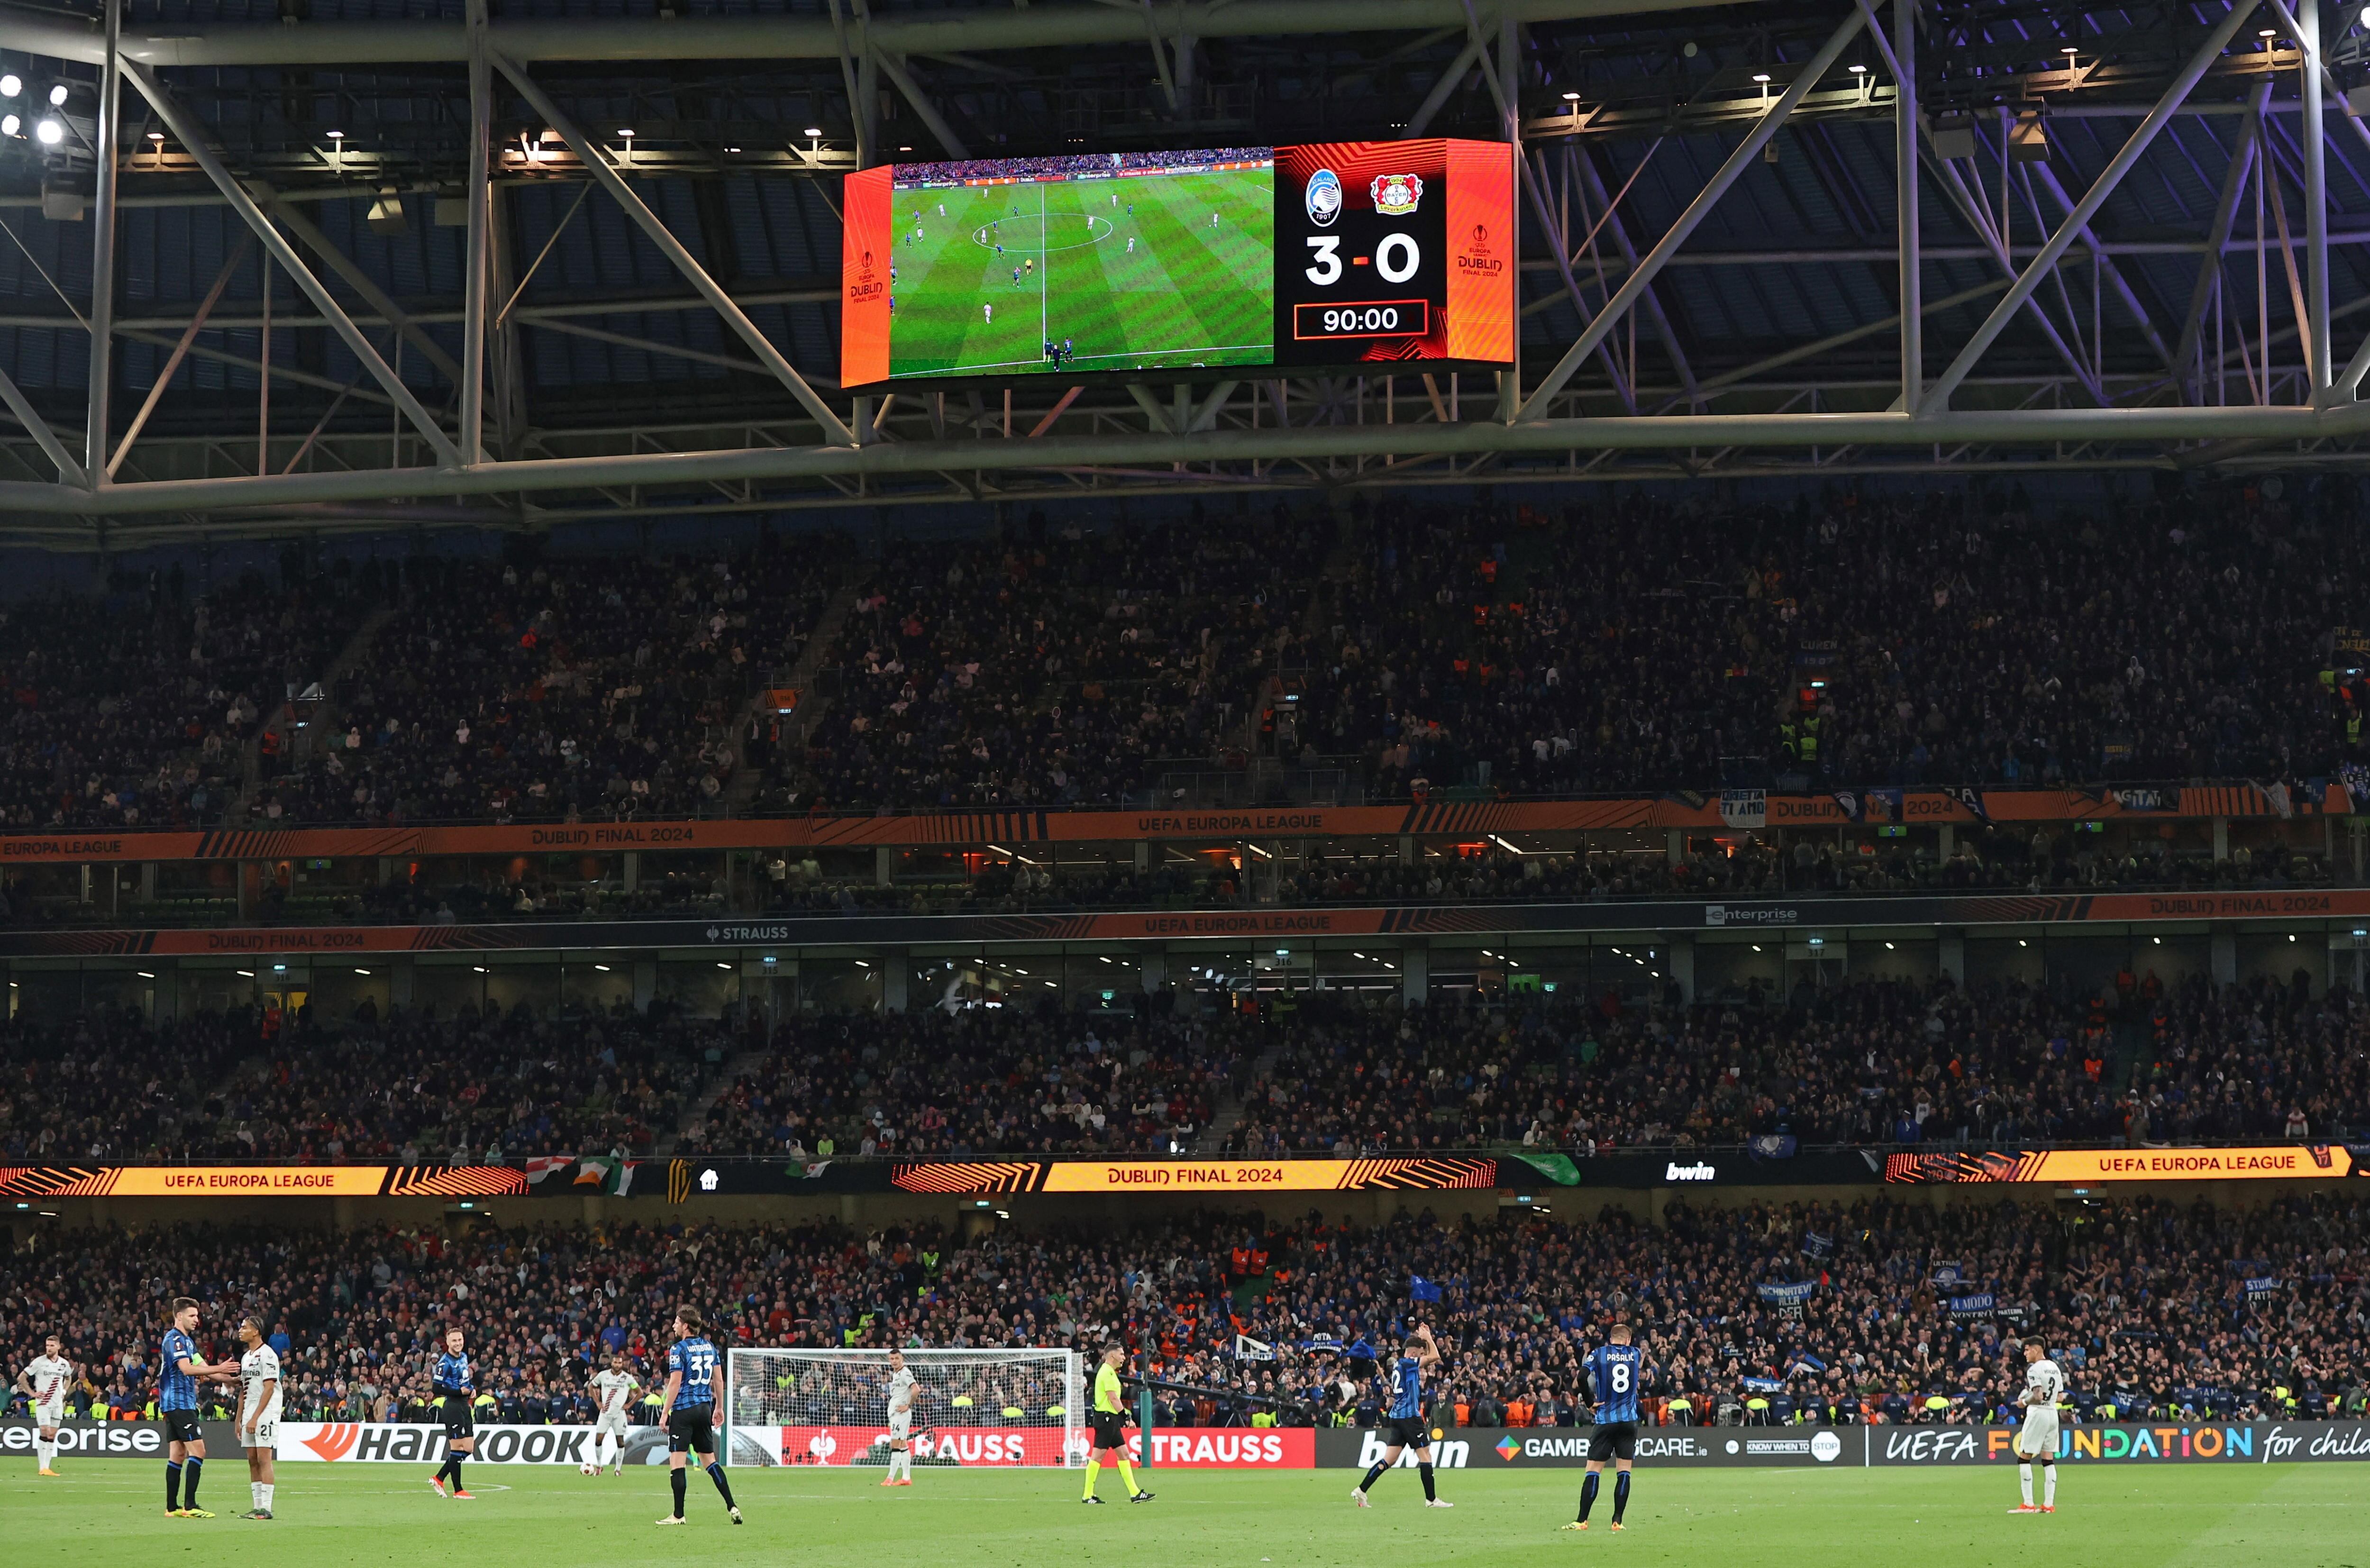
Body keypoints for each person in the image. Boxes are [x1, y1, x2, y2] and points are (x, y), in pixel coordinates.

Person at [655, 1305, 740, 1526]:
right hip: (704, 1409)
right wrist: (719, 1407)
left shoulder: (678, 1349)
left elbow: (674, 1384)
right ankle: (732, 1506)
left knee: (677, 1463)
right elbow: (719, 1381)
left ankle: (678, 1515)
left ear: (685, 1326)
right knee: (710, 1462)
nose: (673, 1325)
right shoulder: (710, 1347)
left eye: (676, 1322)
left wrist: (665, 1413)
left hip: (684, 1411)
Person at [1352, 1323, 1449, 1509]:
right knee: (1425, 1456)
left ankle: (1361, 1490)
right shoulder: (1407, 1363)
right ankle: (1431, 1500)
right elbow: (1436, 1357)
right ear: (1414, 1353)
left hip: (1397, 1415)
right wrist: (1428, 1336)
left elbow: (1431, 1357)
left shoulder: (1399, 1364)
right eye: (1421, 1354)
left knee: (1390, 1459)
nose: (1423, 1358)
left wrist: (1426, 1341)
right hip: (1409, 1417)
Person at [1561, 1322, 1645, 1532]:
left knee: (1593, 1471)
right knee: (1624, 1471)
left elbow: (1581, 1376)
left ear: (1610, 1339)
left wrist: (1590, 1403)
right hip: (1628, 1421)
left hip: (1605, 1419)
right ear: (1628, 1340)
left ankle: (1582, 1520)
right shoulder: (1635, 1353)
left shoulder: (1599, 1353)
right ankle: (1617, 1521)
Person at [161, 1296, 228, 1518]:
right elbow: (187, 1369)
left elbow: (205, 1369)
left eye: (197, 1316)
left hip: (179, 1403)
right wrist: (220, 1368)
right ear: (178, 1316)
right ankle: (190, 1505)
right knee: (199, 1451)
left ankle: (172, 1508)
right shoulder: (175, 1340)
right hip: (179, 1403)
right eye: (192, 1315)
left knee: (178, 1453)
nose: (196, 1320)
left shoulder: (188, 1342)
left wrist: (230, 1380)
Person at [1080, 1345, 1151, 1504]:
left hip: (1110, 1419)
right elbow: (1113, 1399)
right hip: (1106, 1418)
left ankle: (1135, 1493)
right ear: (1112, 1356)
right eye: (1121, 1354)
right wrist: (1126, 1418)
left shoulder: (1109, 1372)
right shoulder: (1107, 1372)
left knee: (1124, 1454)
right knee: (1098, 1457)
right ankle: (1087, 1495)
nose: (1124, 1358)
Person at [232, 1316, 280, 1520]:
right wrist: (240, 1417)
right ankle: (257, 1507)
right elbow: (244, 1389)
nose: (241, 1330)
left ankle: (267, 1509)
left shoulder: (268, 1355)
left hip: (266, 1413)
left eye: (245, 1327)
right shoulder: (246, 1357)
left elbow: (269, 1389)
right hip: (249, 1413)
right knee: (252, 1460)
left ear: (256, 1332)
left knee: (263, 1459)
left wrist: (256, 1418)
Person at [2010, 1339, 2064, 1515]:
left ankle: (2028, 1504)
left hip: (2038, 1413)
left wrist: (2023, 1402)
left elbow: (2038, 1395)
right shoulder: (2055, 1367)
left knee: (2024, 1457)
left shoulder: (2034, 1369)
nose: (2025, 1354)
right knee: (2048, 1459)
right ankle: (2049, 1505)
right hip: (2052, 1414)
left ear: (2035, 1350)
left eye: (2027, 1350)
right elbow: (2061, 1397)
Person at [17, 1332, 76, 1477]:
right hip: (43, 1402)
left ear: (58, 1347)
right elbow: (22, 1377)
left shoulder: (64, 1364)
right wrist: (32, 1393)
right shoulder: (39, 1362)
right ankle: (42, 1467)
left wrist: (64, 1390)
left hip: (58, 1404)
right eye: (47, 1345)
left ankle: (47, 1467)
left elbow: (68, 1378)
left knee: (52, 1434)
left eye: (51, 1346)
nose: (48, 1348)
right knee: (44, 1431)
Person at [428, 1326, 476, 1498]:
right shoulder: (444, 1363)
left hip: (464, 1405)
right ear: (447, 1343)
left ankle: (439, 1477)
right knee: (457, 1447)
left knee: (469, 1448)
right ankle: (458, 1490)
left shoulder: (463, 1357)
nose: (458, 1343)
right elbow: (436, 1388)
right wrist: (459, 1393)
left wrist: (471, 1390)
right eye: (454, 1341)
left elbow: (464, 1380)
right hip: (453, 1407)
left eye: (460, 1340)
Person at [590, 1352, 641, 1476]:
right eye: (615, 1362)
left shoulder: (627, 1378)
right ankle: (599, 1466)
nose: (617, 1365)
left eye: (620, 1363)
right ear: (611, 1363)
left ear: (622, 1364)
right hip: (605, 1413)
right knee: (598, 1439)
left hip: (619, 1414)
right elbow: (591, 1387)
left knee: (620, 1442)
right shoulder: (603, 1376)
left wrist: (629, 1405)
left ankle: (618, 1469)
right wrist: (597, 1402)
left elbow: (640, 1393)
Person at [882, 1348, 918, 1487]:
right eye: (892, 1359)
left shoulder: (905, 1373)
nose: (894, 1361)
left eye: (897, 1359)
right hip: (898, 1414)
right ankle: (906, 1478)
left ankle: (890, 1478)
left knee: (895, 1444)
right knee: (902, 1444)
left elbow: (916, 1390)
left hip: (901, 1414)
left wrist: (908, 1405)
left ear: (902, 1359)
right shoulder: (896, 1374)